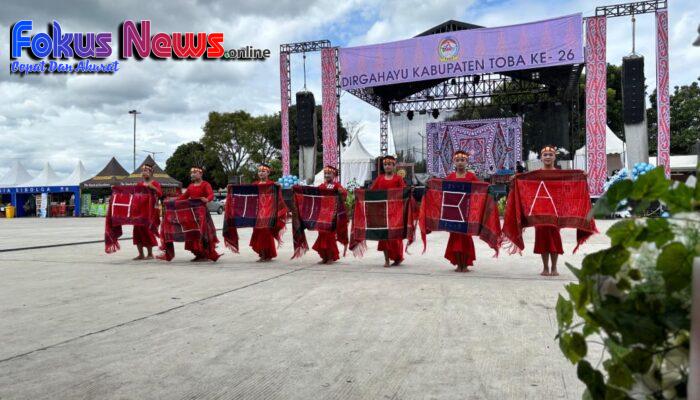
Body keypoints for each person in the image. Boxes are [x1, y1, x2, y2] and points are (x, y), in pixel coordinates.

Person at [443, 150, 479, 272]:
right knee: (455, 237)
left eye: (462, 160)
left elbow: (479, 191)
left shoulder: (471, 177)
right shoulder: (450, 177)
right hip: (453, 213)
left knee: (465, 238)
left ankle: (465, 264)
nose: (460, 163)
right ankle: (458, 264)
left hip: (467, 211)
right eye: (457, 160)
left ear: (466, 162)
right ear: (454, 162)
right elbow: (443, 193)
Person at [175, 166, 219, 262]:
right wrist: (173, 201)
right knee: (193, 232)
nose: (193, 174)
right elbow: (184, 197)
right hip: (192, 213)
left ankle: (204, 253)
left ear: (201, 174)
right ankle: (198, 254)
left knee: (202, 233)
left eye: (195, 172)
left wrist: (207, 199)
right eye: (192, 173)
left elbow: (211, 194)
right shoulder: (190, 186)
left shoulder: (205, 184)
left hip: (202, 213)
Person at [370, 155, 406, 268]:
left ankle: (397, 258)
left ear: (394, 166)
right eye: (385, 164)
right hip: (382, 211)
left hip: (395, 212)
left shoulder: (398, 179)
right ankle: (386, 260)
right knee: (384, 236)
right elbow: (372, 192)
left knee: (395, 237)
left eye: (389, 164)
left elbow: (404, 192)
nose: (387, 166)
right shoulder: (379, 178)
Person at [534, 146, 563, 276]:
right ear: (541, 157)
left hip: (555, 211)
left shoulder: (560, 174)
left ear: (554, 157)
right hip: (540, 210)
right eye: (545, 155)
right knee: (542, 239)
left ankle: (554, 267)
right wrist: (516, 179)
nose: (547, 157)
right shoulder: (536, 174)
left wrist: (582, 176)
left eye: (550, 155)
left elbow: (567, 188)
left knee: (554, 239)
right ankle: (545, 267)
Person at [313, 165, 347, 264]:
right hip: (322, 214)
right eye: (325, 174)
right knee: (321, 234)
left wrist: (342, 192)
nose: (327, 175)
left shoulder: (337, 185)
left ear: (334, 175)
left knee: (330, 235)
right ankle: (324, 257)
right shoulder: (321, 186)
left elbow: (344, 196)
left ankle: (331, 257)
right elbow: (314, 195)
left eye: (329, 173)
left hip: (332, 214)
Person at [132, 163, 162, 260]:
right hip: (138, 211)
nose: (144, 173)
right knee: (137, 230)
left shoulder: (155, 183)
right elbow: (135, 195)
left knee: (147, 230)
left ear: (151, 172)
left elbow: (160, 194)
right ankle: (141, 254)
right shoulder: (139, 184)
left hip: (149, 211)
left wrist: (153, 188)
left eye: (146, 171)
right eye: (143, 171)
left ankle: (149, 254)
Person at [250, 164, 278, 262]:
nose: (261, 173)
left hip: (268, 212)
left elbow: (278, 199)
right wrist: (232, 187)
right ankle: (262, 254)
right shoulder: (254, 185)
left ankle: (267, 254)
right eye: (259, 171)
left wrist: (279, 187)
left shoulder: (273, 184)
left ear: (268, 173)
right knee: (258, 233)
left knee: (266, 233)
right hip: (257, 213)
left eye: (263, 171)